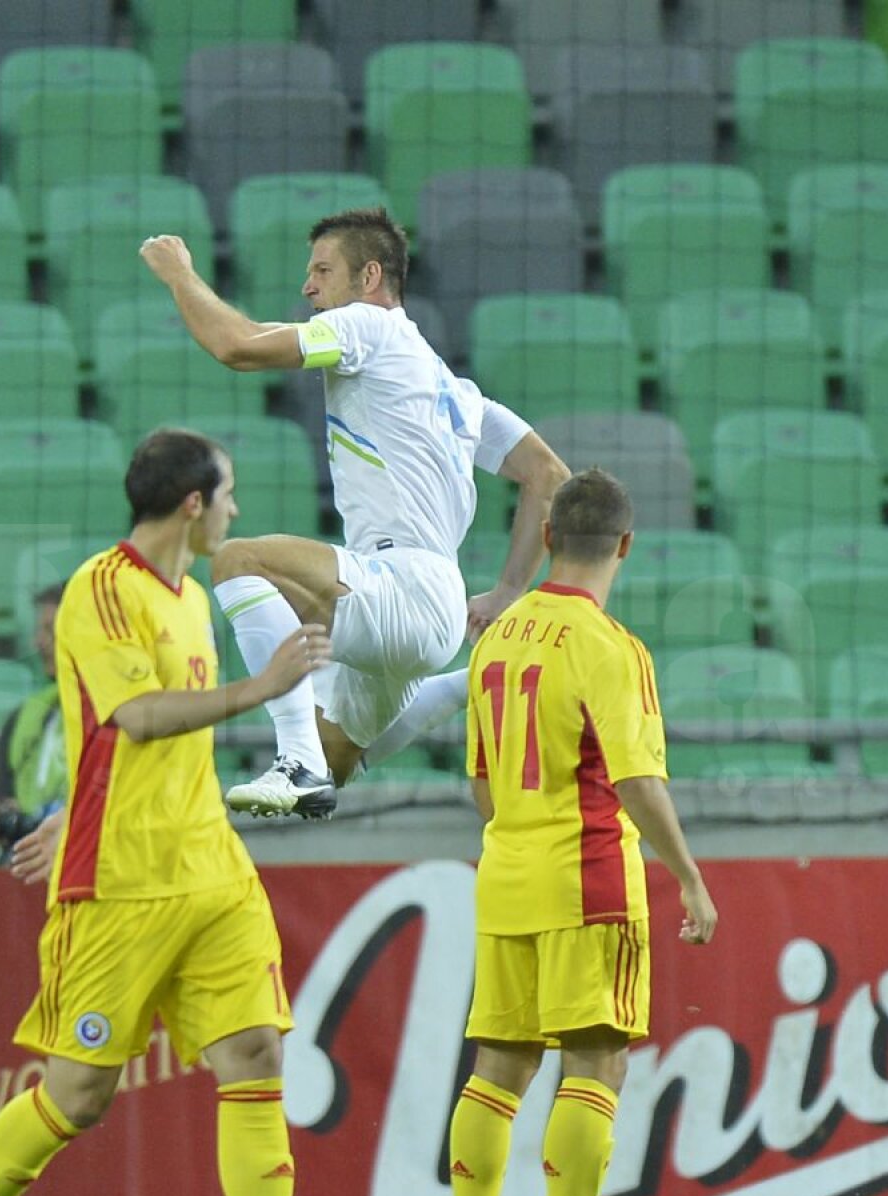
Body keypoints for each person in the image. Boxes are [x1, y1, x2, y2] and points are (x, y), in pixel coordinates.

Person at [0, 428, 370, 1196]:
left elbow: (112, 743)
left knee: (255, 1054)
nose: (235, 511)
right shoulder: (101, 588)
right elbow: (135, 715)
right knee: (77, 1097)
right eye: (228, 494)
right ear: (194, 502)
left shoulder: (194, 597)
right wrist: (259, 688)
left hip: (211, 868)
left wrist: (67, 806)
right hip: (120, 883)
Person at [140, 207, 569, 821]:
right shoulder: (456, 390)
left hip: (402, 588)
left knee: (239, 560)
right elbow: (549, 476)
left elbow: (237, 347)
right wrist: (506, 589)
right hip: (430, 607)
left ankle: (295, 760)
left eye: (321, 270)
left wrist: (179, 275)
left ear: (370, 277)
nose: (308, 287)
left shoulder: (371, 327)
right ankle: (471, 682)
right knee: (336, 758)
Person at [448, 468, 717, 1196]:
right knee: (596, 1063)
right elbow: (639, 781)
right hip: (589, 879)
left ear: (552, 540)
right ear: (626, 546)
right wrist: (690, 881)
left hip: (505, 876)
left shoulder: (494, 636)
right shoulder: (613, 648)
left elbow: (483, 787)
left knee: (498, 1065)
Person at [0, 583, 67, 858]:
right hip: (25, 868)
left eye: (50, 630)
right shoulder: (27, 715)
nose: (37, 642)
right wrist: (0, 823)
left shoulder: (120, 718)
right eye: (40, 630)